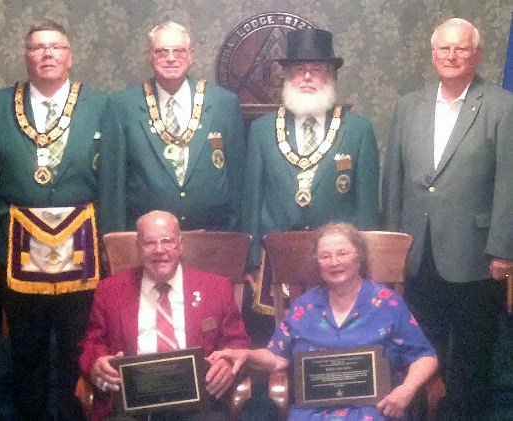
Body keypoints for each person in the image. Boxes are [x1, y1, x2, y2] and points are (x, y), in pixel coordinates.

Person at [382, 18, 513, 419]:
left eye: (461, 49)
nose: (451, 56)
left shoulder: (502, 105)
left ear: (477, 54)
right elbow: (394, 180)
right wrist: (390, 245)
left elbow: (510, 179)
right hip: (417, 254)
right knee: (419, 347)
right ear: (433, 54)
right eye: (444, 49)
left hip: (478, 256)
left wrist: (503, 249)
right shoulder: (409, 105)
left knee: (473, 354)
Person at [0, 20, 107, 421]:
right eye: (38, 47)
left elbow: (114, 178)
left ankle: (74, 415)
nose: (47, 54)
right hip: (17, 241)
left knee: (77, 341)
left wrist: (113, 240)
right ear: (27, 57)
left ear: (70, 58)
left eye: (55, 47)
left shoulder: (101, 105)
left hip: (83, 241)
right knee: (26, 344)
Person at [211, 222, 437, 420]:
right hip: (313, 412)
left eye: (342, 253)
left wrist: (406, 390)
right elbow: (277, 358)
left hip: (375, 410)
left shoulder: (387, 303)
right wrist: (247, 354)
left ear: (359, 257)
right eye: (325, 256)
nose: (334, 262)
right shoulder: (304, 306)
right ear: (317, 263)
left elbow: (425, 356)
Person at [242, 28, 380, 318]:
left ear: (330, 76)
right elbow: (251, 199)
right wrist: (252, 260)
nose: (306, 77)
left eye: (316, 70)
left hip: (338, 261)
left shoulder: (358, 130)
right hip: (277, 258)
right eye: (298, 69)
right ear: (287, 76)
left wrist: (367, 262)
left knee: (335, 337)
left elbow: (367, 206)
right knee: (279, 342)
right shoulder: (262, 130)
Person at [79, 210, 251, 421]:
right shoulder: (110, 290)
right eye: (149, 243)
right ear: (138, 248)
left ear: (180, 245)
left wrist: (226, 363)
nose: (159, 250)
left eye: (167, 241)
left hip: (198, 406)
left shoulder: (216, 288)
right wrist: (98, 363)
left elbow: (237, 343)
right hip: (132, 407)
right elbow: (92, 343)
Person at [98, 21, 246, 234]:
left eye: (179, 51)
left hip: (213, 234)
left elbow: (237, 178)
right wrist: (114, 241)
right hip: (147, 239)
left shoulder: (223, 103)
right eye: (161, 52)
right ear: (150, 55)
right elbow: (113, 184)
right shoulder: (123, 105)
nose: (170, 58)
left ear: (191, 55)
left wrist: (237, 236)